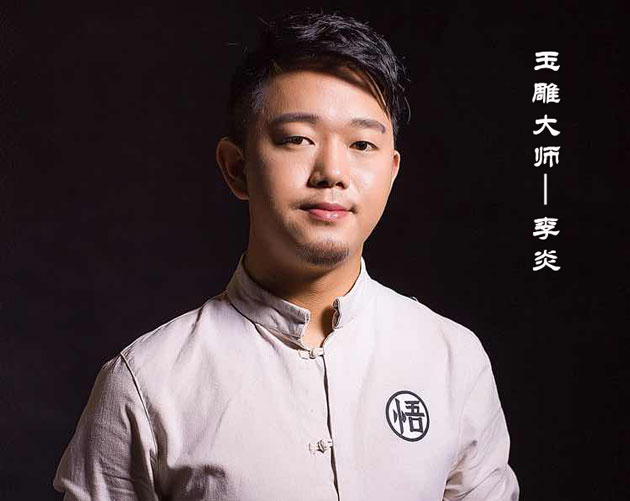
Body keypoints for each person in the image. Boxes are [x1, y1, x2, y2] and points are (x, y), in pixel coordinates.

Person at [53, 11, 519, 500]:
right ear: (237, 168)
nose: (332, 171)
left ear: (392, 172)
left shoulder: (453, 359)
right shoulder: (147, 384)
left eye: (362, 144)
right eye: (297, 139)